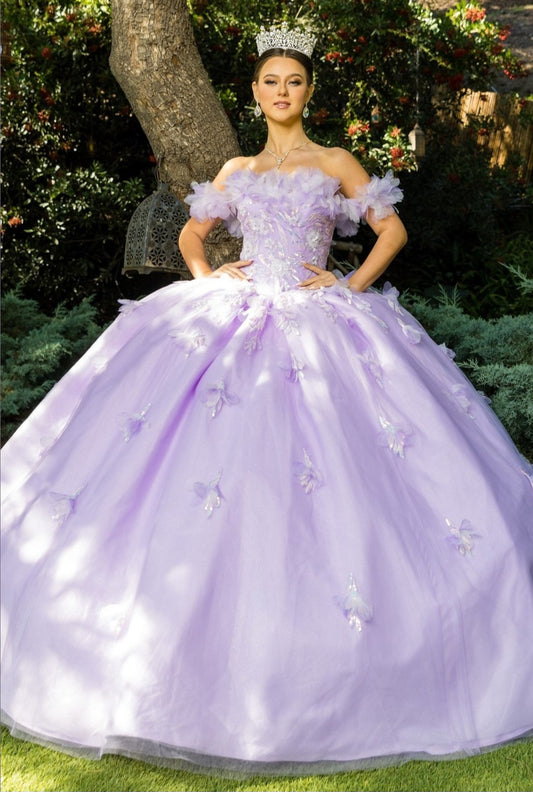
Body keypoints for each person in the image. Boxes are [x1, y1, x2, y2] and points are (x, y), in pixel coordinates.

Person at [1, 22, 532, 779]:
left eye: (294, 81)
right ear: (253, 91)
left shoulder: (334, 160)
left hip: (318, 316)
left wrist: (346, 285)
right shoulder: (238, 167)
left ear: (308, 91)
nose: (282, 92)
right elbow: (193, 235)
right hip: (237, 309)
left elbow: (391, 230)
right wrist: (207, 277)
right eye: (271, 81)